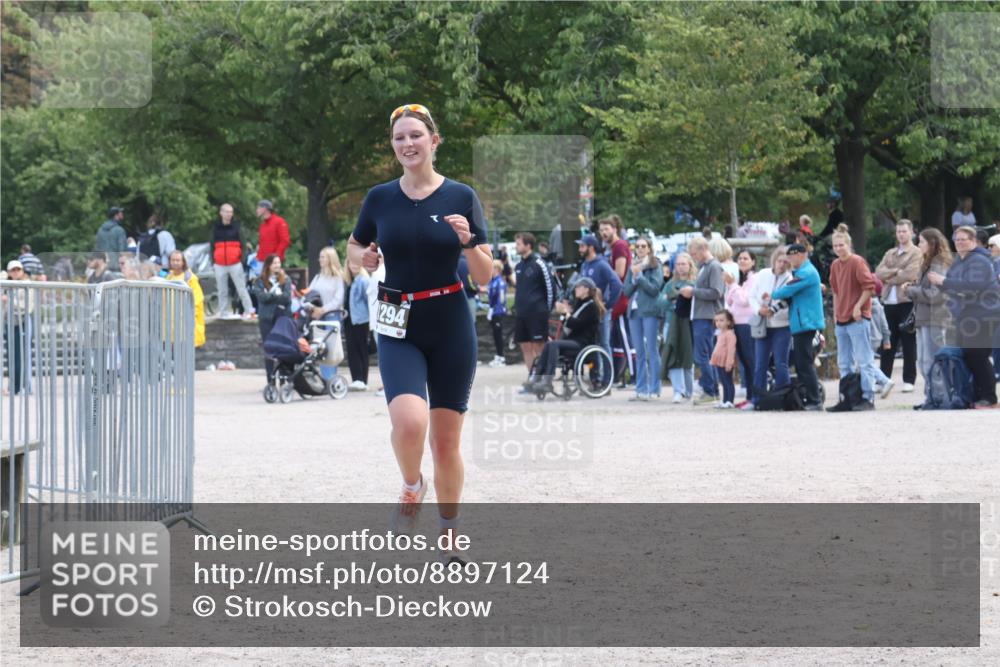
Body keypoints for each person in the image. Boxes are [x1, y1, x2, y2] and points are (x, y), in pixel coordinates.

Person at [346, 103, 492, 562]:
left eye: (415, 136)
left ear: (434, 141)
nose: (407, 144)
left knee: (445, 442)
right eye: (399, 138)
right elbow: (354, 247)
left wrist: (468, 242)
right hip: (396, 318)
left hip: (448, 318)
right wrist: (362, 261)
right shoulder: (379, 198)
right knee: (409, 423)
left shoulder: (461, 196)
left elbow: (485, 276)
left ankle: (449, 533)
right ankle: (412, 486)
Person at [928, 225, 999, 408]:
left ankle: (990, 398)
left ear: (974, 241)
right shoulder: (959, 261)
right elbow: (954, 287)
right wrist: (939, 283)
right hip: (966, 315)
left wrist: (944, 281)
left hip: (985, 314)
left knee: (977, 354)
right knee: (968, 355)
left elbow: (971, 287)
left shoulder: (980, 261)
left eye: (963, 239)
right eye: (957, 239)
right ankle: (975, 394)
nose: (959, 242)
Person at [827, 224, 877, 411]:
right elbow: (836, 291)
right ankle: (847, 396)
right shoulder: (835, 265)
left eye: (842, 245)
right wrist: (836, 312)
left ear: (848, 244)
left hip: (857, 318)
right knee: (844, 361)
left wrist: (857, 307)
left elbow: (869, 287)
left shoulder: (857, 262)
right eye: (835, 246)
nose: (839, 249)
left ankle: (868, 397)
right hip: (842, 318)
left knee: (864, 359)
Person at [768, 243, 825, 410]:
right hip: (802, 323)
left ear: (802, 255)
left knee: (805, 364)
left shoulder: (806, 273)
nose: (790, 259)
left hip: (807, 324)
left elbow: (786, 291)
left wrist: (770, 294)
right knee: (802, 363)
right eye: (789, 256)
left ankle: (815, 401)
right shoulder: (801, 272)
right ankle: (809, 398)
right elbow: (791, 299)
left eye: (793, 256)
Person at [902, 228, 953, 409]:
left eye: (921, 242)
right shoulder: (927, 263)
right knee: (923, 361)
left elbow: (935, 295)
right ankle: (931, 396)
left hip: (935, 318)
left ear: (931, 243)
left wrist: (911, 290)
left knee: (933, 361)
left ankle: (940, 399)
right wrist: (914, 287)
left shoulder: (938, 265)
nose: (918, 245)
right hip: (924, 318)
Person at [527, 278, 602, 394]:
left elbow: (577, 324)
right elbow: (567, 323)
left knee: (554, 345)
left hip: (583, 343)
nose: (575, 289)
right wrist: (563, 314)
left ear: (586, 289)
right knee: (549, 345)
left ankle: (547, 381)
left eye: (578, 287)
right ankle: (536, 378)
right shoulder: (580, 304)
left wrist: (566, 314)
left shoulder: (592, 307)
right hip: (573, 341)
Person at [874, 219, 921, 393]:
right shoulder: (890, 253)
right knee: (887, 342)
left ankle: (909, 379)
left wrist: (891, 275)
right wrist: (897, 272)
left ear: (911, 232)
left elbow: (911, 273)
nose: (901, 234)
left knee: (908, 341)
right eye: (898, 231)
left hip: (906, 301)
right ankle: (883, 379)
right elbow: (879, 272)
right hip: (889, 301)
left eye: (904, 231)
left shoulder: (916, 253)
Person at [678, 236, 724, 404]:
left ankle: (711, 390)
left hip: (708, 316)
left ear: (704, 249)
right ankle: (711, 389)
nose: (693, 257)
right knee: (704, 354)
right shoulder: (704, 267)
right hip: (699, 315)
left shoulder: (714, 267)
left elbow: (716, 292)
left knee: (702, 355)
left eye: (694, 253)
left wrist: (694, 292)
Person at [748, 246, 792, 409]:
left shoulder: (789, 278)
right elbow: (751, 296)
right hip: (763, 324)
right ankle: (757, 399)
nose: (782, 264)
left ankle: (783, 397)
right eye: (780, 261)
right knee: (760, 363)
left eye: (785, 262)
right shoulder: (763, 274)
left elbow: (789, 302)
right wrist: (759, 310)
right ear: (774, 260)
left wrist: (774, 312)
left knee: (781, 362)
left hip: (781, 325)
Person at [577, 233, 622, 386]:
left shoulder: (601, 264)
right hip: (588, 312)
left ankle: (607, 379)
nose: (580, 249)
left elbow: (617, 284)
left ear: (591, 247)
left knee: (603, 343)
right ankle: (595, 376)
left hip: (600, 311)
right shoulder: (584, 265)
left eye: (582, 246)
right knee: (591, 343)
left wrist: (608, 305)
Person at [623, 236, 663, 401]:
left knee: (652, 351)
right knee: (639, 352)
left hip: (650, 311)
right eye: (637, 246)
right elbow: (626, 291)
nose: (639, 249)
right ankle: (641, 389)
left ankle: (655, 388)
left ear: (649, 248)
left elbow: (655, 288)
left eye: (643, 246)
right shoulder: (632, 266)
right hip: (634, 312)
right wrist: (633, 278)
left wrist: (640, 277)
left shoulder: (655, 264)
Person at [512, 232, 555, 387]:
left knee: (539, 346)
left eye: (518, 244)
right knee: (525, 346)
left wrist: (546, 309)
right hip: (522, 313)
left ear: (528, 245)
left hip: (537, 312)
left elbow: (550, 288)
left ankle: (545, 378)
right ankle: (532, 378)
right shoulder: (518, 266)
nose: (516, 246)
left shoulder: (539, 263)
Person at [598, 214, 634, 385]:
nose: (603, 233)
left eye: (607, 229)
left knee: (625, 337)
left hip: (620, 297)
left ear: (615, 229)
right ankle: (620, 375)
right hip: (616, 296)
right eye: (601, 230)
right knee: (617, 339)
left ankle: (633, 374)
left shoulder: (619, 246)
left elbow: (619, 274)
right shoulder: (612, 248)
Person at [251, 254, 292, 387]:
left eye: (279, 263)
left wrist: (270, 297)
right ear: (268, 265)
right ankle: (271, 380)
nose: (277, 266)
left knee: (282, 348)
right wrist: (275, 296)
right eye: (274, 263)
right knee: (269, 349)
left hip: (281, 317)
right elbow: (261, 297)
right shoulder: (259, 281)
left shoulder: (285, 279)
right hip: (266, 319)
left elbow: (286, 297)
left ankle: (284, 378)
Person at [723, 249, 757, 407]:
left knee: (751, 361)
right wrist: (733, 287)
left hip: (748, 324)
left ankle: (756, 395)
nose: (742, 261)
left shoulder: (754, 279)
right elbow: (730, 301)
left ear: (753, 262)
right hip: (737, 323)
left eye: (746, 258)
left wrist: (732, 285)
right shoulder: (740, 281)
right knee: (744, 361)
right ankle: (750, 396)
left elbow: (744, 300)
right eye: (740, 258)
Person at [661, 252, 696, 402]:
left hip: (688, 324)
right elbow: (660, 303)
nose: (681, 267)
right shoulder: (669, 284)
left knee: (688, 357)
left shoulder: (695, 284)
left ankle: (689, 390)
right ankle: (678, 391)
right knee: (673, 355)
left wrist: (674, 300)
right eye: (678, 264)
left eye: (684, 264)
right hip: (671, 323)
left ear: (690, 265)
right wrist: (674, 302)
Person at [211, 203, 255, 320]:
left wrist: (242, 260)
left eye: (231, 212)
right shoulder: (215, 227)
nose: (229, 214)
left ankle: (249, 311)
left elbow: (244, 245)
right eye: (226, 211)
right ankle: (223, 312)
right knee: (222, 290)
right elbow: (212, 245)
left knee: (241, 288)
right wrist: (213, 261)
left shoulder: (237, 226)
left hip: (235, 263)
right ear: (221, 213)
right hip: (219, 264)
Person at [1, 260, 33, 395]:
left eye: (18, 269)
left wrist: (9, 300)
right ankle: (14, 386)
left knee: (22, 356)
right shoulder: (7, 285)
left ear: (22, 271)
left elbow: (27, 306)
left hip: (23, 322)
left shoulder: (28, 285)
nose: (15, 272)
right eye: (12, 270)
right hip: (10, 323)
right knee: (11, 356)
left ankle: (23, 386)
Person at [164, 250, 206, 349]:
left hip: (185, 320)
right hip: (172, 322)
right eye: (173, 260)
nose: (175, 262)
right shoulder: (169, 277)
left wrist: (189, 314)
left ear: (183, 262)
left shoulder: (190, 278)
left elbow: (197, 299)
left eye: (178, 260)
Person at [344, 262, 371, 391]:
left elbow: (369, 301)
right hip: (349, 320)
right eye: (350, 264)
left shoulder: (364, 281)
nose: (353, 266)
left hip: (361, 320)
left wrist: (371, 321)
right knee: (351, 350)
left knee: (361, 350)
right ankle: (356, 379)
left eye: (356, 264)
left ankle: (363, 380)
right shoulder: (350, 281)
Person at [710, 309, 738, 409]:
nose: (718, 323)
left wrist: (729, 363)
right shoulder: (719, 333)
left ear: (729, 322)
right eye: (716, 321)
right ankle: (725, 400)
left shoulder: (730, 334)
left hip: (726, 362)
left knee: (728, 381)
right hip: (719, 362)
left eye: (721, 320)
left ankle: (730, 401)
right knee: (723, 381)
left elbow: (731, 349)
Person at [487, 259, 508, 367]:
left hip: (498, 312)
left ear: (497, 269)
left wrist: (494, 310)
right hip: (494, 311)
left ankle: (501, 357)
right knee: (495, 335)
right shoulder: (493, 281)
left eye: (492, 268)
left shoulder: (499, 282)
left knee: (498, 335)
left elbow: (501, 299)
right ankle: (498, 355)